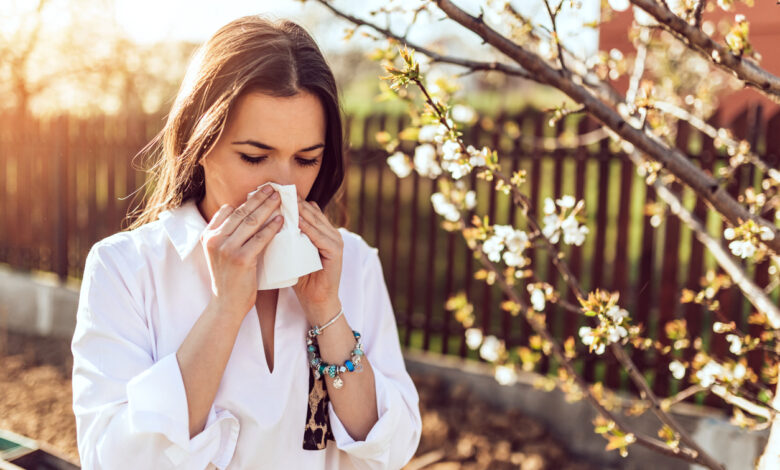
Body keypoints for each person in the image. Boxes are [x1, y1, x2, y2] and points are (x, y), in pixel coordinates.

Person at [70, 15, 422, 470]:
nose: (283, 187)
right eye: (255, 157)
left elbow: (393, 448)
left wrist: (327, 312)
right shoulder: (126, 269)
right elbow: (112, 460)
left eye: (306, 160)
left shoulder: (352, 261)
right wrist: (224, 311)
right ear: (200, 143)